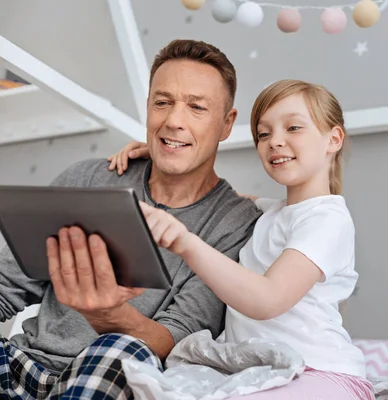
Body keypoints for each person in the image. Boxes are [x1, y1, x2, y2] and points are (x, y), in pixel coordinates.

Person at [0, 39, 262, 399]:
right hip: (23, 362)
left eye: (196, 107)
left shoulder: (237, 223)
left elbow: (173, 340)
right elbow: (5, 283)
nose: (173, 121)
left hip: (114, 368)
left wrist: (108, 314)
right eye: (162, 103)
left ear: (226, 123)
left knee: (122, 353)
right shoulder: (89, 179)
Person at [107, 79, 375, 399]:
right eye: (264, 133)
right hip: (265, 370)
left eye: (293, 128)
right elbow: (214, 192)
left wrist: (186, 242)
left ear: (334, 139)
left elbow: (268, 299)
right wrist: (164, 153)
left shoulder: (326, 220)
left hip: (319, 371)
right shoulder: (271, 212)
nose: (275, 141)